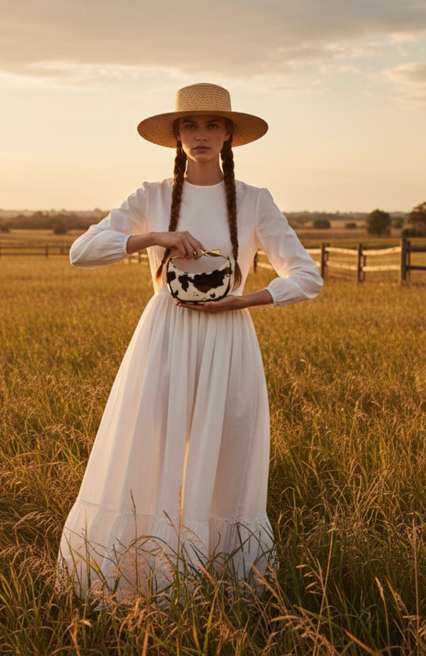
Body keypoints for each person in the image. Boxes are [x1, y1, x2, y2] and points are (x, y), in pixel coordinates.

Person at [58, 82, 323, 603]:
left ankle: (215, 583)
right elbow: (80, 251)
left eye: (212, 125)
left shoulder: (254, 201)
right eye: (189, 126)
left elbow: (307, 277)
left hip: (229, 339)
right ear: (176, 136)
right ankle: (144, 578)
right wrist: (155, 238)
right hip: (163, 337)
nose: (200, 135)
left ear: (229, 135)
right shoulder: (152, 195)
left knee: (221, 453)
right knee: (148, 449)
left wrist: (243, 302)